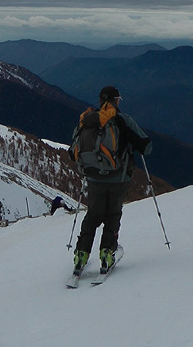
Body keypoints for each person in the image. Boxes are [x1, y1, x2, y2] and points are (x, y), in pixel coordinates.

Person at [73, 86, 151, 275]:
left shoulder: (87, 120)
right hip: (118, 177)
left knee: (93, 214)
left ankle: (81, 254)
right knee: (113, 215)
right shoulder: (123, 120)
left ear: (100, 100)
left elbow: (74, 148)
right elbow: (146, 147)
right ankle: (107, 254)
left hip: (93, 176)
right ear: (116, 100)